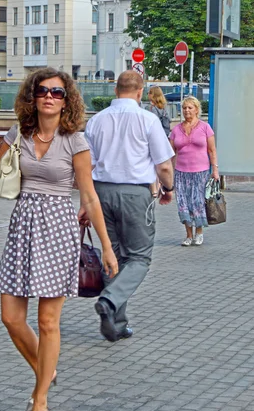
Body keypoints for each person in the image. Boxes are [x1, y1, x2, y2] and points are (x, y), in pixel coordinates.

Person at [0, 67, 118, 411]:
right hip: (22, 227)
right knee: (10, 317)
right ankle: (46, 369)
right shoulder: (18, 134)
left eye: (57, 92)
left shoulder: (75, 141)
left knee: (48, 322)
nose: (50, 97)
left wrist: (106, 246)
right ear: (32, 96)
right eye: (43, 91)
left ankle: (40, 400)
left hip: (58, 230)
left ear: (67, 99)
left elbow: (89, 195)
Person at [81, 71, 174, 342]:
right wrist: (167, 188)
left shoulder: (96, 121)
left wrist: (86, 202)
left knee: (113, 255)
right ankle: (109, 301)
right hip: (134, 194)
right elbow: (164, 164)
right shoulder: (148, 119)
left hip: (101, 193)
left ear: (115, 90)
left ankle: (116, 323)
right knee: (139, 257)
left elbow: (88, 165)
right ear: (140, 91)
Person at [169, 96, 219, 247]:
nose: (186, 110)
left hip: (200, 172)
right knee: (183, 203)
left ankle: (199, 232)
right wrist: (168, 174)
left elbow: (212, 150)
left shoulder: (205, 127)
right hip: (181, 172)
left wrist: (215, 169)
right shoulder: (176, 130)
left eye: (190, 107)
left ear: (197, 110)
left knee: (197, 202)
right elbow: (171, 153)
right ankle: (188, 235)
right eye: (184, 108)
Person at [148, 86, 171, 197]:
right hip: (164, 137)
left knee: (152, 163)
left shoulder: (152, 109)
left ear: (153, 95)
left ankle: (154, 189)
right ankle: (161, 184)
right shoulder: (164, 108)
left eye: (150, 93)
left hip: (155, 138)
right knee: (161, 162)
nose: (148, 94)